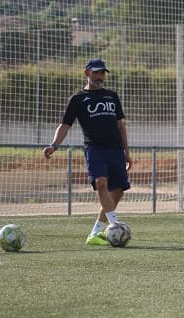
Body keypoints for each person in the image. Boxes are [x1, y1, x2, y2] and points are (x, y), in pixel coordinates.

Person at [43, 58, 132, 246]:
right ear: (87, 73)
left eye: (102, 73)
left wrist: (127, 152)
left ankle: (95, 233)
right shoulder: (77, 99)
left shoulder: (111, 96)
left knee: (118, 191)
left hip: (115, 149)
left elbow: (120, 125)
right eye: (96, 72)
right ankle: (115, 225)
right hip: (95, 149)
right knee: (101, 183)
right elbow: (65, 125)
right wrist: (54, 145)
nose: (99, 76)